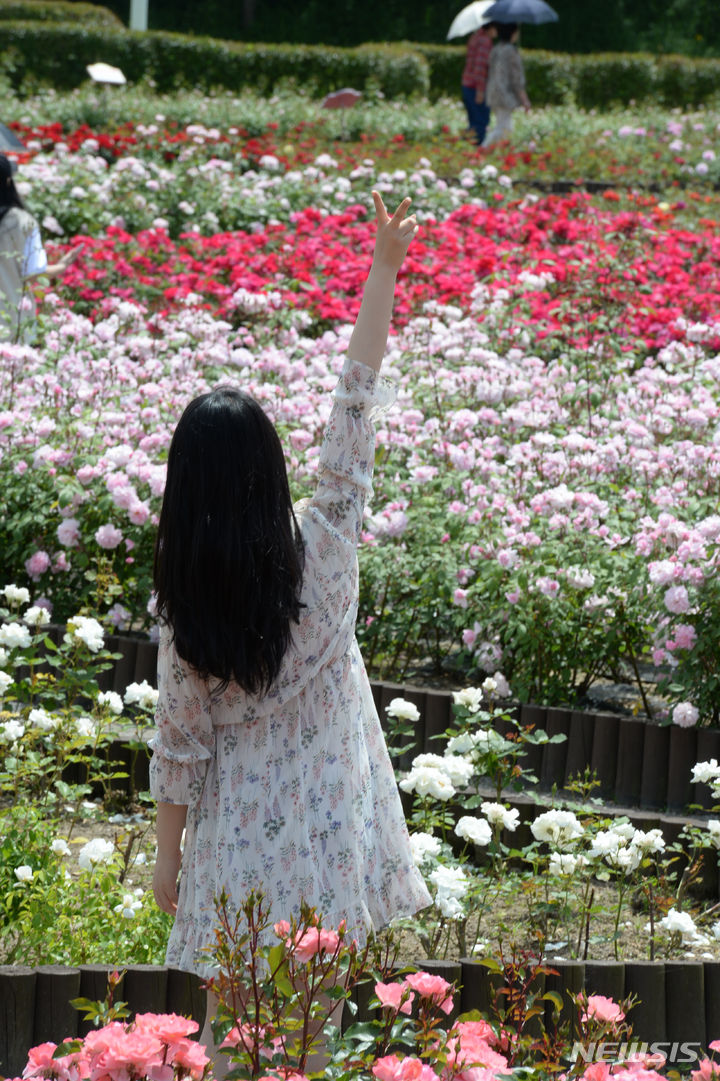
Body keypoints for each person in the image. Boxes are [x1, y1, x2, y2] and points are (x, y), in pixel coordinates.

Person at [150, 191, 432, 1070]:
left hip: (235, 851)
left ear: (184, 495)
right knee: (307, 1050)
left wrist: (167, 859)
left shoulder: (190, 615)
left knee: (234, 1052)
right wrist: (382, 269)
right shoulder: (328, 552)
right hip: (327, 846)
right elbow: (356, 407)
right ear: (273, 474)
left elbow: (180, 748)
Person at [0, 154, 77, 343]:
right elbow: (33, 273)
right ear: (8, 180)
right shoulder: (21, 221)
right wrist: (61, 266)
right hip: (9, 318)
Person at [482, 22, 531, 148]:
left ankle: (496, 152)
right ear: (512, 33)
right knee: (504, 128)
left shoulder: (496, 49)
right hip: (504, 94)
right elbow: (517, 79)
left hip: (493, 92)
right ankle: (482, 149)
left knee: (504, 127)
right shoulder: (511, 51)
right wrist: (524, 100)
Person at [461, 21, 495, 146]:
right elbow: (480, 68)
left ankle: (463, 150)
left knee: (473, 123)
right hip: (477, 87)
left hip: (467, 84)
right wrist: (480, 90)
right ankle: (475, 154)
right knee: (481, 123)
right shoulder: (485, 42)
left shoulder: (475, 37)